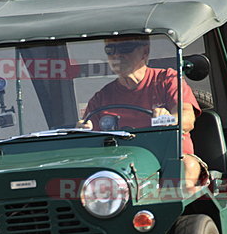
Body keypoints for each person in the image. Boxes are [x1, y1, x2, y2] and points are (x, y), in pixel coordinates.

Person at [77, 36, 208, 188]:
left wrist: (170, 119)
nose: (116, 55)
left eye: (125, 49)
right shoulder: (101, 97)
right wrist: (83, 132)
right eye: (110, 50)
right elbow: (89, 141)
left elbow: (187, 118)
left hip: (169, 159)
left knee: (186, 166)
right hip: (122, 169)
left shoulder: (167, 79)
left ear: (145, 52)